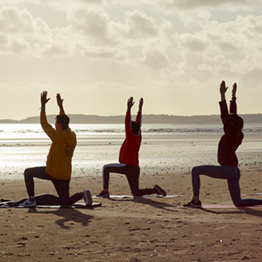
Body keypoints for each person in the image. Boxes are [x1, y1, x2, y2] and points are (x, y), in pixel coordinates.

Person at [184, 81, 262, 208]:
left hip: (227, 170)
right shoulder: (238, 134)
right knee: (238, 203)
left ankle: (196, 201)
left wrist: (222, 96)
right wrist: (233, 97)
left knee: (195, 171)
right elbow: (232, 116)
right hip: (234, 171)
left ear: (231, 124)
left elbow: (225, 115)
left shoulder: (231, 133)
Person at [20, 91, 92, 207]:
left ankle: (31, 199)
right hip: (65, 175)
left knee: (28, 172)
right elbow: (65, 122)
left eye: (55, 123)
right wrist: (61, 107)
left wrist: (43, 107)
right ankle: (81, 195)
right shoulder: (72, 135)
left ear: (59, 124)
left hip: (52, 172)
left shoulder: (57, 136)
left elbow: (44, 124)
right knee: (64, 201)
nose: (54, 125)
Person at [97, 97, 166, 198]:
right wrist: (139, 109)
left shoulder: (130, 137)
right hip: (135, 168)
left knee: (105, 168)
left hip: (126, 166)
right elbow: (138, 124)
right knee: (135, 192)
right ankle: (154, 190)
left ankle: (105, 191)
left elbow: (127, 123)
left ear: (131, 129)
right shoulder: (139, 136)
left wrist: (128, 109)